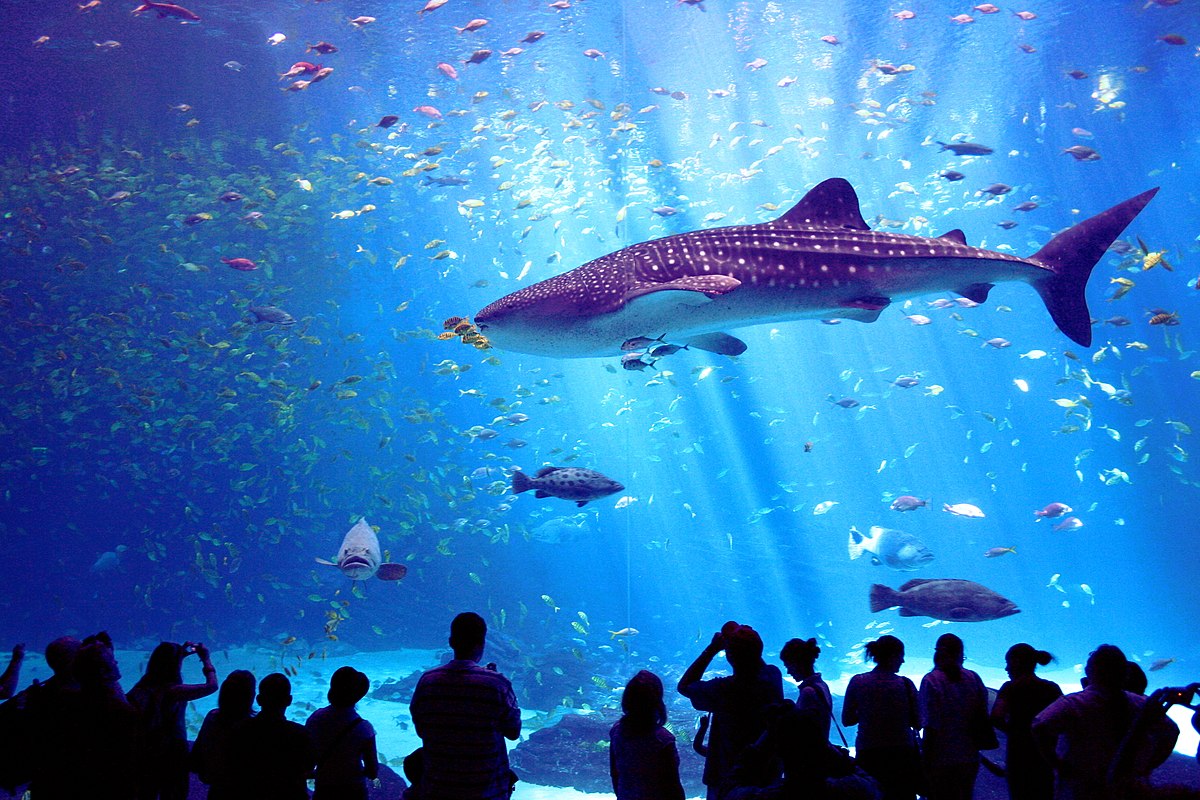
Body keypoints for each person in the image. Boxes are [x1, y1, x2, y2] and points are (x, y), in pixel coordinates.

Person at [1032, 644, 1178, 800]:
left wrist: (1058, 764)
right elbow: (1171, 731)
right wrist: (1149, 764)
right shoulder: (1141, 703)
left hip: (1081, 787)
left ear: (1089, 671)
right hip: (1128, 788)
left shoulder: (1074, 703)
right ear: (1125, 674)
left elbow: (1039, 726)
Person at [409, 611, 522, 800]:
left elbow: (422, 730)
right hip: (487, 790)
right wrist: (493, 682)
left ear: (451, 642)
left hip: (438, 788)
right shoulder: (497, 684)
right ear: (482, 644)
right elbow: (513, 732)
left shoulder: (427, 681)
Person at [678, 620, 784, 800]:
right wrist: (745, 639)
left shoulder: (725, 689)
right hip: (767, 773)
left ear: (729, 657)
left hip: (728, 777)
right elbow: (756, 661)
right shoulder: (773, 676)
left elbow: (685, 686)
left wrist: (712, 649)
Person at [127, 640, 219, 800]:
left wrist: (179, 656)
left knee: (145, 790)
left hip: (146, 747)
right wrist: (206, 659)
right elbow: (212, 686)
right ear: (173, 664)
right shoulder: (173, 691)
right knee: (174, 792)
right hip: (172, 749)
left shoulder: (141, 687)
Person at [842, 635, 921, 800]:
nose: (903, 661)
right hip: (902, 754)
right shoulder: (906, 684)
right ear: (893, 656)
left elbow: (847, 720)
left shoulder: (858, 682)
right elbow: (919, 722)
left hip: (868, 754)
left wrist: (868, 712)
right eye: (901, 656)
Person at [918, 633, 992, 800]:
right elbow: (982, 715)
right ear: (960, 654)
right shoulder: (973, 677)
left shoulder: (931, 680)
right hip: (969, 755)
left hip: (941, 757)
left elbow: (931, 724)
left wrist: (926, 759)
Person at [990, 643, 1063, 800]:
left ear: (1016, 662)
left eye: (1008, 663)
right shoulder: (1051, 688)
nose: (1006, 669)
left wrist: (1015, 732)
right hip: (1046, 757)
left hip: (1018, 756)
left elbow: (996, 717)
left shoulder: (1010, 688)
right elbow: (1062, 720)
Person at [73, 631, 139, 800]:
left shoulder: (79, 692)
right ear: (102, 668)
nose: (115, 661)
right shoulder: (112, 705)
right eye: (110, 659)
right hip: (111, 778)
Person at [229, 672, 315, 800]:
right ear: (289, 701)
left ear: (258, 700)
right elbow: (308, 766)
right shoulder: (300, 734)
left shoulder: (239, 729)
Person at [609, 669, 685, 800]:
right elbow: (673, 784)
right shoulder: (663, 739)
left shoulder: (617, 731)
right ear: (657, 701)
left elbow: (615, 773)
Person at [306, 666, 379, 800]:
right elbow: (373, 770)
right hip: (354, 790)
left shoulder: (315, 718)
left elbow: (308, 760)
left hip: (323, 788)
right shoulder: (364, 728)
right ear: (358, 696)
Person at [192, 669, 257, 799]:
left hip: (217, 786)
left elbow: (197, 753)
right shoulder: (254, 726)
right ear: (251, 695)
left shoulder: (212, 717)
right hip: (245, 789)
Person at [781, 637, 833, 741]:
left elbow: (804, 731)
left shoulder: (808, 692)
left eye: (788, 666)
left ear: (797, 664)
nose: (788, 672)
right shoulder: (822, 684)